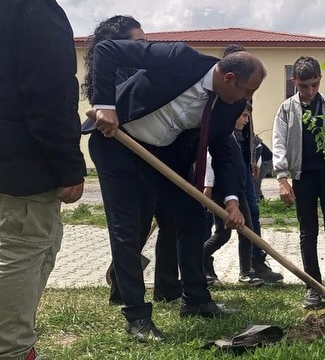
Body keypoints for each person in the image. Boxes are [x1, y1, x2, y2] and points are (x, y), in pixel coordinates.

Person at [87, 37, 265, 342]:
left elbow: (222, 152)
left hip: (161, 158)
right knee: (128, 227)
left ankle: (195, 299)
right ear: (228, 78)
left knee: (193, 217)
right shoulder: (178, 58)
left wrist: (232, 200)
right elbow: (106, 51)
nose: (246, 99)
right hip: (118, 141)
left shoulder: (226, 106)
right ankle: (136, 316)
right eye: (246, 91)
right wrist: (105, 105)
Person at [0, 0, 84, 358]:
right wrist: (70, 167)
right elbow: (49, 94)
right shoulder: (31, 5)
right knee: (22, 259)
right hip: (25, 176)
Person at [80, 15, 181, 306]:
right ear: (118, 45)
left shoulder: (140, 68)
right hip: (116, 149)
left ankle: (164, 286)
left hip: (146, 150)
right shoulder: (110, 72)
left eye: (147, 43)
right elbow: (123, 102)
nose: (145, 48)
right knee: (130, 225)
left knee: (161, 218)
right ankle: (125, 296)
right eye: (139, 43)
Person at [273, 56, 325, 308]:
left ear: (320, 79)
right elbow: (279, 143)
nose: (309, 91)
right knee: (308, 232)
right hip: (302, 177)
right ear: (294, 81)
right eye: (304, 86)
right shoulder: (286, 109)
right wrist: (282, 178)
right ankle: (314, 287)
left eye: (314, 85)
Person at [216, 44, 282, 283]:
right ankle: (205, 266)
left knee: (250, 212)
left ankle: (254, 263)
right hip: (218, 168)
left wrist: (252, 159)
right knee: (216, 224)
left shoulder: (243, 95)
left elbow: (248, 130)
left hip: (242, 163)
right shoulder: (221, 95)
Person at [203, 104, 265, 287]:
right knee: (223, 234)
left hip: (237, 192)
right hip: (222, 192)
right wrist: (208, 187)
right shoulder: (221, 135)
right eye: (244, 116)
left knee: (247, 231)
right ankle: (197, 259)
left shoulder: (234, 135)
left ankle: (246, 272)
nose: (246, 121)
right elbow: (210, 160)